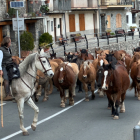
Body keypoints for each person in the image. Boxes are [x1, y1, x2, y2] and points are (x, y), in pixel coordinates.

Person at [0, 37, 14, 101]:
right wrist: (0, 70)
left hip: (9, 65)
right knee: (6, 79)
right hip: (4, 66)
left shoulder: (9, 49)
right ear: (7, 43)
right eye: (10, 42)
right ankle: (7, 95)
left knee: (12, 77)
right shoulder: (1, 50)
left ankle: (11, 93)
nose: (10, 43)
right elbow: (0, 60)